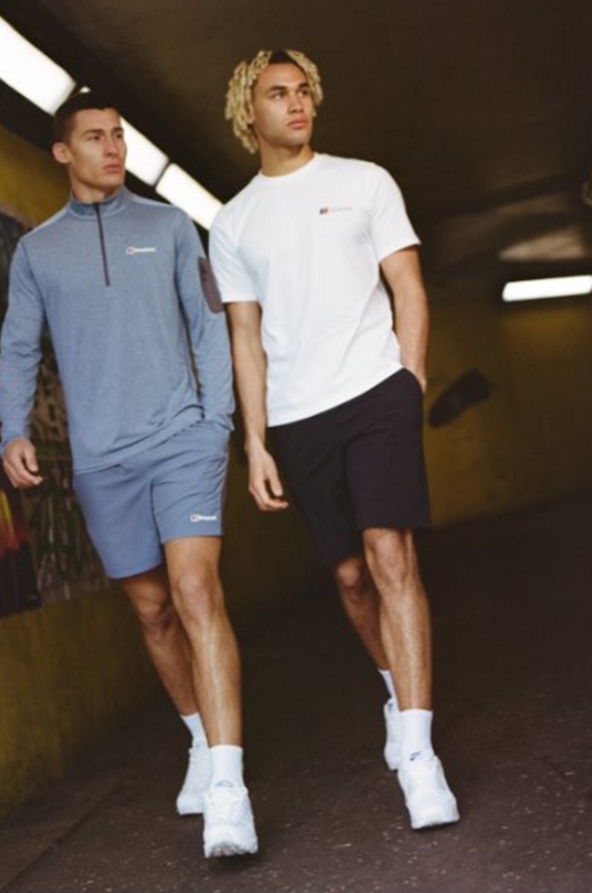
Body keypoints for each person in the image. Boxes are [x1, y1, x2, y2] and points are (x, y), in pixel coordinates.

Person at [0, 91, 257, 858]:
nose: (113, 148)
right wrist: (12, 429)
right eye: (94, 137)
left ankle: (228, 788)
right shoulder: (37, 252)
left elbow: (208, 322)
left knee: (195, 591)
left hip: (182, 440)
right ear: (62, 152)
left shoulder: (169, 226)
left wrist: (215, 423)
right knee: (153, 612)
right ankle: (199, 739)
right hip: (102, 460)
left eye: (118, 135)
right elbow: (18, 347)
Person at [209, 49, 459, 830]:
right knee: (350, 577)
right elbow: (244, 337)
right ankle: (395, 691)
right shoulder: (233, 221)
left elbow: (407, 286)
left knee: (389, 554)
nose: (297, 103)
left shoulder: (364, 182)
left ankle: (417, 754)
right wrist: (255, 442)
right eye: (277, 93)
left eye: (304, 91)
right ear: (248, 113)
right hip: (297, 415)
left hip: (375, 391)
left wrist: (409, 381)